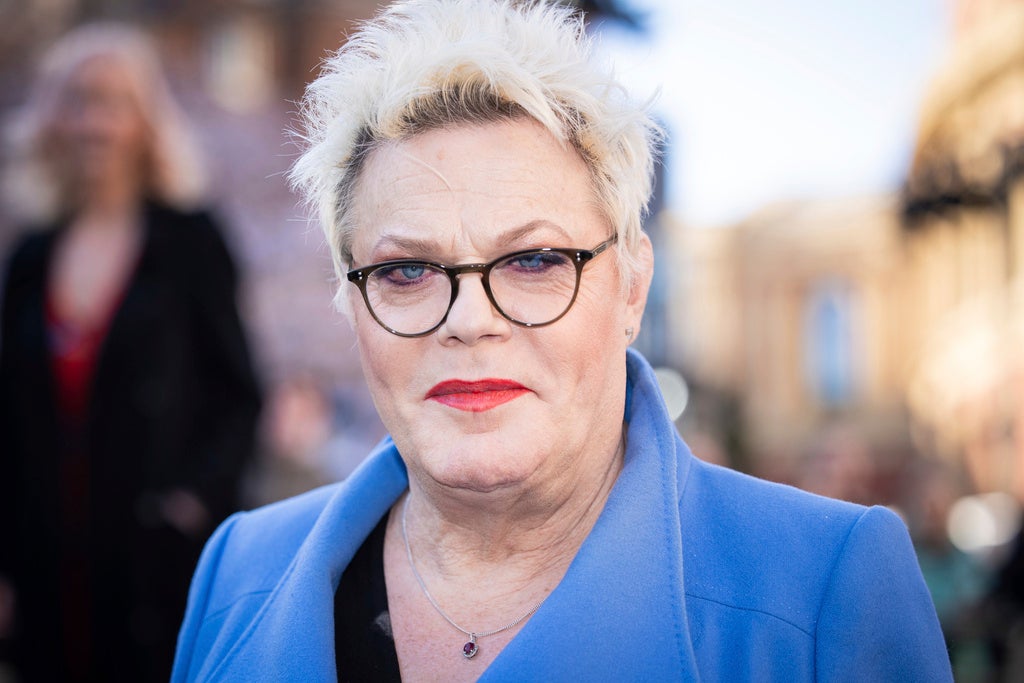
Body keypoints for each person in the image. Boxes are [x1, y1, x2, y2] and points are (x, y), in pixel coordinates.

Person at [172, 1, 952, 680]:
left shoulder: (826, 587)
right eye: (407, 270)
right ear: (351, 302)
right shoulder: (236, 573)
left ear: (632, 287)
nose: (468, 319)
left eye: (535, 260)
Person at [0, 22, 262, 682]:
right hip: (47, 557)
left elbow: (238, 392)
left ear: (146, 120)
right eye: (78, 100)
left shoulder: (191, 241)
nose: (95, 122)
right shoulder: (32, 252)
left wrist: (190, 504)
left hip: (152, 559)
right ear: (53, 119)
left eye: (114, 102)